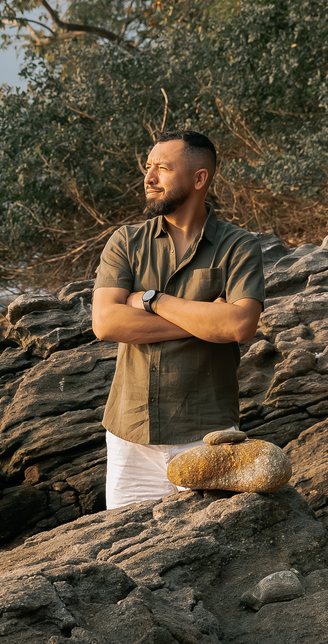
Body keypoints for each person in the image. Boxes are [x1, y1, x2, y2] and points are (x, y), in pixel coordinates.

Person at [91, 131, 265, 510]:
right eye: (148, 167)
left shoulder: (238, 246)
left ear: (199, 179)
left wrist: (151, 300)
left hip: (206, 434)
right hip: (130, 436)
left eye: (163, 169)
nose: (149, 178)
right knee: (124, 558)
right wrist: (204, 319)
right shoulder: (126, 242)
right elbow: (105, 322)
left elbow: (238, 326)